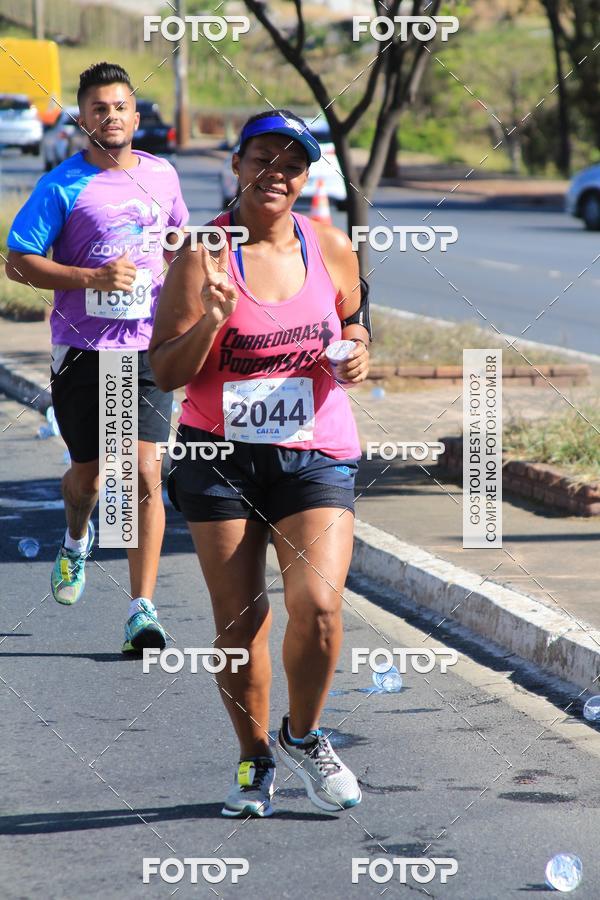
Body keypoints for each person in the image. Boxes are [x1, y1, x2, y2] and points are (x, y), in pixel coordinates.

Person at [150, 109, 371, 816]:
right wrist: (213, 320)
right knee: (240, 625)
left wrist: (358, 351)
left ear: (307, 178)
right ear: (237, 166)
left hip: (315, 453)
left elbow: (355, 320)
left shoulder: (329, 245)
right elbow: (164, 372)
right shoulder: (203, 254)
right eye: (262, 159)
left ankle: (303, 736)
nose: (276, 174)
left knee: (321, 608)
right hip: (219, 460)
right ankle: (254, 759)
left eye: (292, 164)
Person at [6, 62, 188, 652]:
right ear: (83, 119)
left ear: (135, 116)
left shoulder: (162, 176)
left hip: (148, 347)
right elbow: (18, 261)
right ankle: (76, 537)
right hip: (83, 350)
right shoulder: (61, 184)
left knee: (144, 471)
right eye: (98, 109)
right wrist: (91, 277)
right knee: (89, 475)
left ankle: (141, 610)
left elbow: (177, 243)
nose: (111, 116)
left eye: (120, 107)